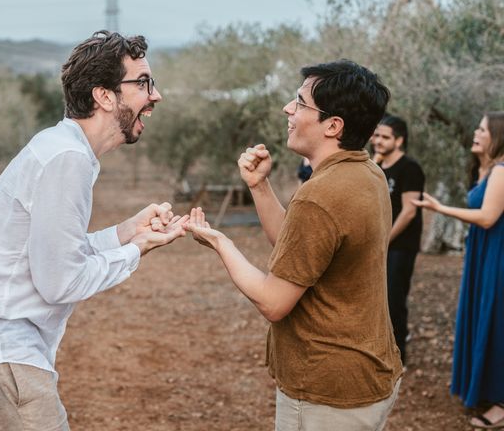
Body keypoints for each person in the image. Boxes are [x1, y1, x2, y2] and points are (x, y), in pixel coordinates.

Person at [0, 30, 189, 431]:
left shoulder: (64, 149)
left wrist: (125, 232)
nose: (155, 95)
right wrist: (135, 250)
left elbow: (53, 252)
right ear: (104, 96)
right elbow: (61, 281)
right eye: (143, 83)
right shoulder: (67, 158)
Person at [185, 60, 402, 430]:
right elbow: (300, 247)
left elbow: (273, 302)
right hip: (369, 371)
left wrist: (220, 242)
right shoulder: (367, 173)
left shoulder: (319, 195)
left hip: (327, 390)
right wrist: (260, 186)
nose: (288, 108)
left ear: (333, 126)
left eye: (301, 103)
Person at [413, 112, 504, 429]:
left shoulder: (502, 171)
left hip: (497, 256)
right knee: (482, 317)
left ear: (498, 134)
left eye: (482, 129)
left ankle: (501, 403)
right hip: (483, 252)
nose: (476, 133)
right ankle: (483, 389)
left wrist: (439, 208)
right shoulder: (488, 170)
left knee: (495, 321)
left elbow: (488, 217)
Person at [371, 115, 425, 365]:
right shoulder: (376, 165)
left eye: (385, 137)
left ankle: (398, 354)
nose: (378, 141)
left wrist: (384, 241)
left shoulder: (410, 168)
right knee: (373, 296)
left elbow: (409, 211)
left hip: (400, 245)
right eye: (376, 136)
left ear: (400, 140)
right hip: (376, 244)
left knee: (394, 297)